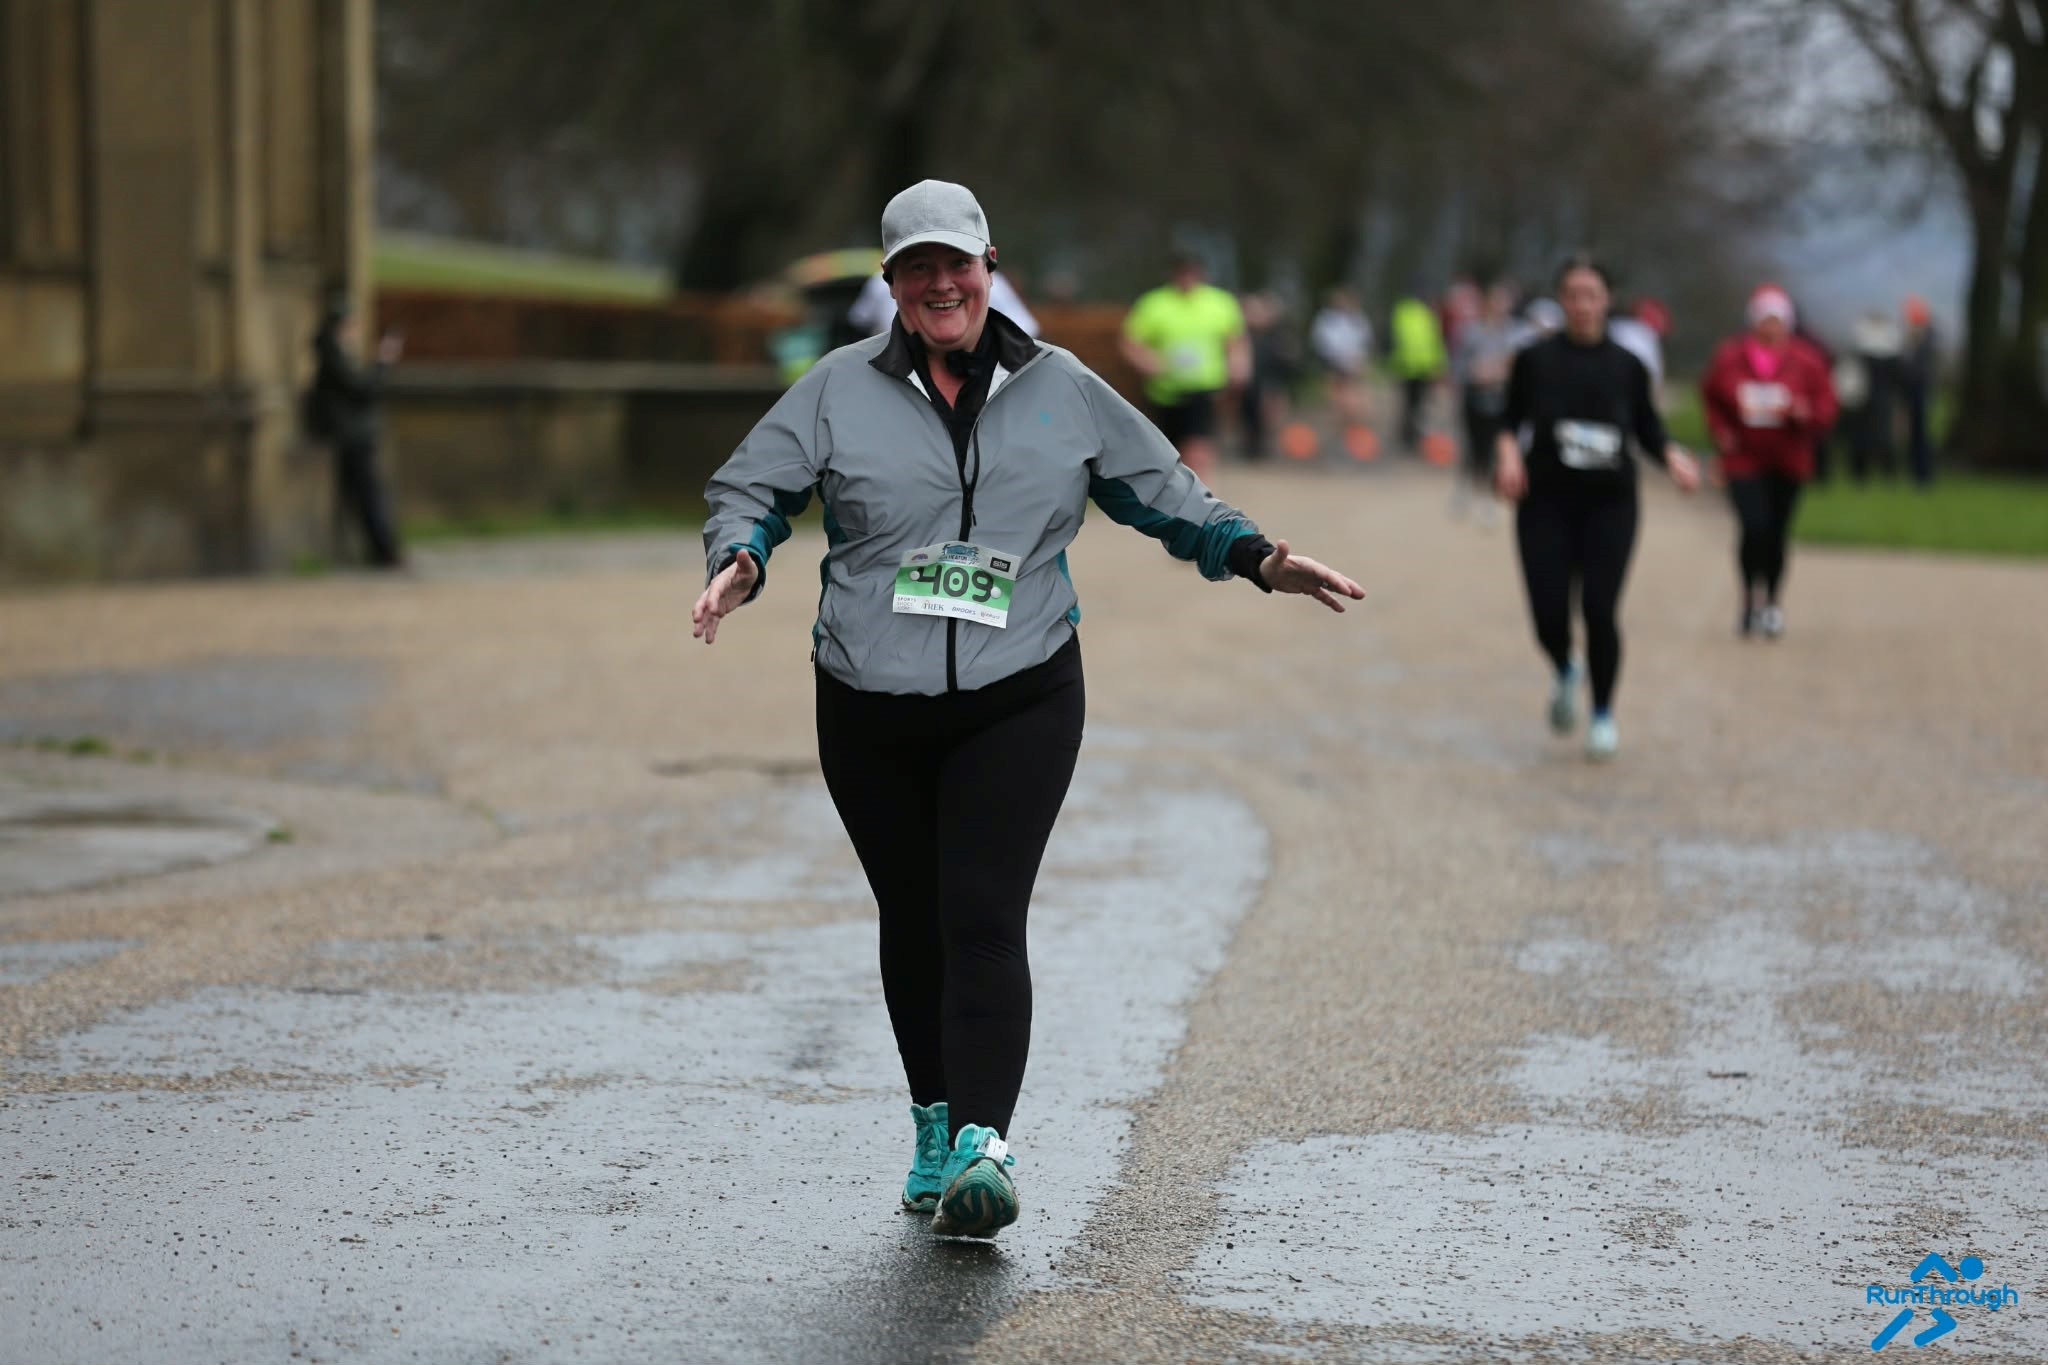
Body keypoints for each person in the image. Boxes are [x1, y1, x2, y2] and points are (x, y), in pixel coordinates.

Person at [693, 180, 1363, 1240]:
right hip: (867, 702)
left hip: (1022, 692)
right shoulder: (833, 391)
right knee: (911, 917)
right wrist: (739, 557)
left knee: (980, 913)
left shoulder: (1061, 391)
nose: (940, 283)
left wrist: (1254, 557)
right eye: (918, 268)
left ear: (988, 266)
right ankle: (932, 1120)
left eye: (955, 263)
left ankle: (983, 1148)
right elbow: (751, 487)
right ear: (892, 285)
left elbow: (1164, 491)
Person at [1494, 255, 1701, 761]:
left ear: (1607, 300)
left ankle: (1603, 713)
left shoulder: (1628, 367)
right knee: (1548, 614)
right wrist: (1507, 459)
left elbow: (1648, 429)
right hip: (1545, 502)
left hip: (1610, 505)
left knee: (1600, 610)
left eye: (1592, 294)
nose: (1583, 304)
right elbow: (1507, 420)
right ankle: (1566, 668)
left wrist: (1674, 457)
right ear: (1561, 301)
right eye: (1573, 294)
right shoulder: (1535, 359)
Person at [1700, 284, 1838, 639]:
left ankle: (1773, 603)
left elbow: (1827, 407)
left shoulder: (1807, 360)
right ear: (1754, 321)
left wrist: (1804, 414)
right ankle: (1749, 600)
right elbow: (1711, 396)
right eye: (1765, 320)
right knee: (1753, 527)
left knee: (1777, 533)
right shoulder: (1731, 356)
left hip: (1789, 459)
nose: (1771, 327)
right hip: (1743, 460)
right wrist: (1721, 432)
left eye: (1777, 320)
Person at [1119, 250, 1249, 478]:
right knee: (1168, 449)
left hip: (1204, 385)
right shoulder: (1154, 304)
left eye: (1192, 273)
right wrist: (1146, 362)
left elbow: (1235, 341)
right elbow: (1130, 342)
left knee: (1198, 444)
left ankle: (1202, 497)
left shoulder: (1220, 303)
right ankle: (1177, 495)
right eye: (1182, 273)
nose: (1187, 278)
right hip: (1164, 389)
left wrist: (1239, 366)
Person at [308, 298, 406, 569]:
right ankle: (383, 550)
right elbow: (362, 389)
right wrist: (383, 362)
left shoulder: (338, 353)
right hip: (351, 436)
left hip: (354, 435)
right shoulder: (334, 354)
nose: (355, 331)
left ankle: (380, 549)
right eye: (351, 325)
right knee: (368, 494)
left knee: (367, 495)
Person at [1450, 279, 1520, 523]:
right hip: (1473, 397)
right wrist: (1473, 373)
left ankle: (1490, 499)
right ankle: (1466, 490)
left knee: (1494, 450)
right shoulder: (1471, 331)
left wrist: (1499, 372)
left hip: (1500, 400)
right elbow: (1458, 363)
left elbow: (1518, 366)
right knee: (1470, 446)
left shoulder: (1513, 333)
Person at [850, 266, 1040, 340]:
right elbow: (858, 324)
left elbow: (1027, 332)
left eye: (960, 263)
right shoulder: (878, 283)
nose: (942, 286)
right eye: (919, 266)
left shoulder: (995, 286)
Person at [1310, 287, 1375, 446]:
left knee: (1355, 407)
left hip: (1354, 367)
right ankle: (1336, 440)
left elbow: (1365, 344)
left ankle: (1354, 440)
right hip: (1334, 367)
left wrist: (1360, 362)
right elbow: (1323, 345)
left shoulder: (1358, 320)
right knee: (1336, 406)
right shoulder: (1326, 320)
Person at [1386, 288, 1449, 453]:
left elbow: (1434, 341)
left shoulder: (1412, 313)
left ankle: (1415, 438)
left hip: (1419, 368)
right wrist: (1439, 364)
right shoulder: (1416, 313)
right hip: (1412, 367)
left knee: (1417, 406)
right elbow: (1432, 341)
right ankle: (1409, 438)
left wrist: (1439, 364)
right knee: (1413, 406)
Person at [1900, 295, 1938, 487]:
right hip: (1914, 394)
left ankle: (1923, 475)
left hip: (1921, 394)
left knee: (1921, 434)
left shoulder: (1926, 339)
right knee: (1915, 434)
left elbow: (1919, 370)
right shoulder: (1917, 339)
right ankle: (1916, 473)